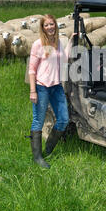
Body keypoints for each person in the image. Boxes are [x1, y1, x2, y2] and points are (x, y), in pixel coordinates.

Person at [28, 14, 74, 169]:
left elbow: (64, 58)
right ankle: (37, 157)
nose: (49, 27)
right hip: (41, 87)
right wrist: (33, 91)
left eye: (51, 24)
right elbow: (32, 69)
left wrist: (72, 41)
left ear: (56, 25)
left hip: (56, 86)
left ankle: (48, 148)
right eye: (46, 25)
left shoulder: (58, 42)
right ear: (42, 28)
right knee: (38, 121)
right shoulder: (37, 44)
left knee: (63, 119)